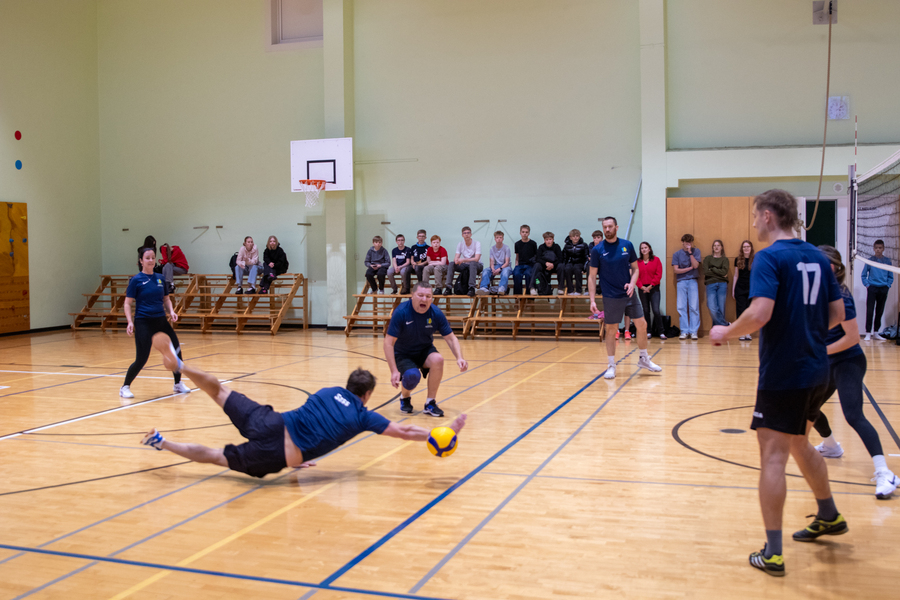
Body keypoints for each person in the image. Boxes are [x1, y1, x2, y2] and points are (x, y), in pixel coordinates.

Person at [710, 189, 846, 578]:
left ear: (769, 216)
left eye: (756, 215)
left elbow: (760, 313)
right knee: (800, 443)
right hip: (818, 369)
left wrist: (725, 331)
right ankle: (829, 514)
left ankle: (772, 553)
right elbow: (837, 313)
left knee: (773, 457)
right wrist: (807, 332)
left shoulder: (769, 257)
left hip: (785, 372)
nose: (754, 222)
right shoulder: (818, 257)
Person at [141, 334, 467, 478]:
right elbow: (404, 431)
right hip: (278, 453)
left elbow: (314, 423)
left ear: (348, 385)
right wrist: (439, 433)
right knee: (217, 456)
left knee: (219, 390)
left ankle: (181, 366)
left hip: (271, 421)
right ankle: (162, 442)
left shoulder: (328, 391)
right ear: (367, 395)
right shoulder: (362, 416)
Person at [812, 246, 898, 499]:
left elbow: (851, 338)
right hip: (827, 361)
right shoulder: (814, 291)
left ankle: (884, 472)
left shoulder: (841, 296)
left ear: (832, 268)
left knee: (853, 415)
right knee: (808, 407)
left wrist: (820, 352)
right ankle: (831, 446)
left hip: (848, 361)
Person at [588, 216, 662, 379]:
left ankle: (644, 359)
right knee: (611, 329)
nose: (607, 229)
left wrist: (632, 283)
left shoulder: (627, 245)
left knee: (642, 324)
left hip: (629, 294)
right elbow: (592, 276)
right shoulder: (597, 250)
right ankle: (611, 365)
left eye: (610, 226)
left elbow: (635, 269)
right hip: (611, 296)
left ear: (616, 227)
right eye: (605, 227)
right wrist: (592, 300)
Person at [383, 282, 469, 417]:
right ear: (412, 296)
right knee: (412, 376)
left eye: (428, 296)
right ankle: (405, 397)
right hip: (403, 354)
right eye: (421, 295)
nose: (424, 299)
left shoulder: (435, 313)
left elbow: (451, 338)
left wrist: (459, 357)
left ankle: (430, 403)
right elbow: (388, 343)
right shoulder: (401, 312)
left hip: (424, 350)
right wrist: (394, 371)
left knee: (438, 359)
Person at [120, 247, 190, 399]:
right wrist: (130, 322)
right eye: (147, 258)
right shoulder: (136, 280)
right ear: (141, 261)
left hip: (161, 321)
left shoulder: (160, 278)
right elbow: (127, 303)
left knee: (176, 351)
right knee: (142, 358)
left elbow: (166, 299)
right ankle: (125, 387)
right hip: (143, 322)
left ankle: (178, 383)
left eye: (153, 257)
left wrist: (171, 311)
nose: (151, 260)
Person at [860, 239, 893, 341]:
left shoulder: (887, 261)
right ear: (873, 249)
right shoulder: (870, 261)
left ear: (883, 249)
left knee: (879, 311)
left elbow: (890, 276)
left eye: (880, 248)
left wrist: (888, 285)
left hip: (883, 288)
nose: (878, 250)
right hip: (872, 288)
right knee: (870, 311)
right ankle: (868, 333)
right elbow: (863, 275)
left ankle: (876, 332)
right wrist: (867, 285)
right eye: (876, 248)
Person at [671, 233, 701, 339]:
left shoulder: (696, 251)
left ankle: (693, 331)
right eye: (686, 242)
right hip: (681, 282)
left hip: (693, 281)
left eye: (690, 242)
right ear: (682, 243)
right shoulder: (676, 254)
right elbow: (676, 270)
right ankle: (684, 331)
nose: (688, 244)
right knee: (681, 306)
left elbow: (696, 265)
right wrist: (690, 268)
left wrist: (690, 253)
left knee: (694, 307)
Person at [637, 241, 665, 339]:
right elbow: (635, 275)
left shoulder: (656, 260)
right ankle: (648, 331)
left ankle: (661, 331)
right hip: (642, 288)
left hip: (654, 288)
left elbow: (658, 274)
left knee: (656, 310)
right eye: (642, 248)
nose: (644, 249)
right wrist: (641, 287)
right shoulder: (637, 262)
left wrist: (650, 286)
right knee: (645, 310)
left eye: (645, 247)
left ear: (649, 249)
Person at [446, 226, 483, 297]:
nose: (466, 234)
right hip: (465, 265)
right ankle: (448, 288)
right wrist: (456, 260)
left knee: (472, 263)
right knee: (451, 264)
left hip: (477, 265)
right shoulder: (460, 244)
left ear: (471, 234)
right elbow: (456, 258)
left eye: (468, 233)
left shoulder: (477, 243)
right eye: (465, 233)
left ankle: (471, 288)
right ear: (462, 235)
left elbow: (476, 259)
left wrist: (463, 260)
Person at [702, 239, 729, 327]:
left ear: (721, 247)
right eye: (714, 245)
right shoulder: (708, 259)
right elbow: (706, 272)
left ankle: (717, 330)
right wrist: (719, 272)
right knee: (712, 307)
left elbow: (724, 272)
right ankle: (725, 325)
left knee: (721, 308)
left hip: (722, 284)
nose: (716, 247)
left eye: (718, 245)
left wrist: (712, 269)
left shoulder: (725, 259)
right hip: (710, 283)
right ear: (712, 247)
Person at [478, 231, 512, 295]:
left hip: (505, 266)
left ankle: (502, 288)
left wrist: (500, 269)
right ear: (495, 239)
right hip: (495, 265)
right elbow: (491, 261)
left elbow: (507, 262)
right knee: (486, 270)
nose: (499, 239)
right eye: (497, 237)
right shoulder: (492, 248)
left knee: (505, 271)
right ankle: (484, 288)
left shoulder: (506, 248)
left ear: (503, 239)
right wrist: (493, 269)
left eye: (500, 237)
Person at [733, 240, 754, 341]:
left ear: (751, 248)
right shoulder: (737, 259)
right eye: (744, 247)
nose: (746, 248)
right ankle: (741, 332)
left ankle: (748, 333)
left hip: (751, 288)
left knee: (749, 311)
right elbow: (735, 275)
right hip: (740, 288)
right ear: (742, 248)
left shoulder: (755, 259)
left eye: (748, 247)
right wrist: (733, 289)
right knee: (740, 310)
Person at [559, 229, 589, 296]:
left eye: (577, 236)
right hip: (570, 263)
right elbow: (564, 258)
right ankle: (570, 290)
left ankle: (579, 290)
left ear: (579, 237)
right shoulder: (567, 246)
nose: (575, 238)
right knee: (567, 269)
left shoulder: (584, 245)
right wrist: (564, 266)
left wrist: (584, 269)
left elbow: (586, 258)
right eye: (573, 236)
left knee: (577, 270)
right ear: (570, 237)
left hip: (580, 263)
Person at [512, 225, 537, 295]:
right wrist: (516, 265)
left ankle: (529, 296)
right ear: (520, 233)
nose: (524, 234)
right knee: (516, 274)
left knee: (528, 274)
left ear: (529, 233)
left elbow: (535, 256)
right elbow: (517, 256)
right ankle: (518, 296)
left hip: (530, 265)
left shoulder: (533, 243)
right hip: (520, 265)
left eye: (526, 232)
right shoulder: (517, 244)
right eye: (523, 232)